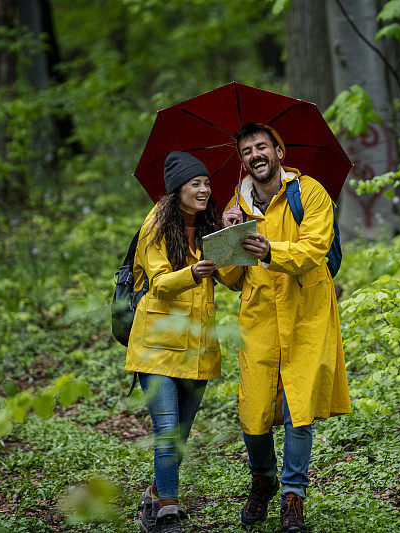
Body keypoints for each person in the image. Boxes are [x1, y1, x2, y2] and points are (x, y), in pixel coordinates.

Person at [221, 123, 351, 532]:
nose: (255, 155)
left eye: (262, 147)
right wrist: (227, 236)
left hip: (306, 311)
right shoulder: (236, 205)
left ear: (279, 151)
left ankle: (293, 496)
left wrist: (270, 250)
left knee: (299, 408)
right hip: (258, 314)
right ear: (242, 160)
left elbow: (314, 249)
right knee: (254, 409)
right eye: (246, 151)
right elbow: (230, 276)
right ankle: (263, 479)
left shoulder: (310, 192)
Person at [125, 151, 241, 533]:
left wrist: (234, 234)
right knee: (168, 431)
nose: (205, 189)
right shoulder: (155, 227)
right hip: (157, 346)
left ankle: (154, 495)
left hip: (198, 350)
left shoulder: (209, 228)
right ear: (178, 190)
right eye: (196, 183)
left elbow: (232, 280)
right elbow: (158, 283)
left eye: (207, 183)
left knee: (180, 435)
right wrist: (191, 272)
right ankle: (168, 511)